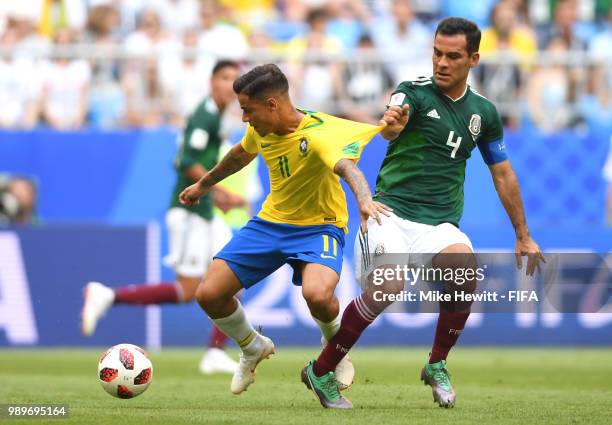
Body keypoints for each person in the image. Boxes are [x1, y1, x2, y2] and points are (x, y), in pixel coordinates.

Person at [301, 17, 545, 409]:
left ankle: (437, 364)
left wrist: (523, 234)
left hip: (439, 223)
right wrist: (392, 123)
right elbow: (393, 123)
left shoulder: (484, 113)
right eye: (436, 53)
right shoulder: (412, 93)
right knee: (389, 286)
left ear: (473, 59)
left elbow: (502, 173)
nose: (441, 63)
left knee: (464, 272)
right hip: (388, 214)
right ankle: (322, 369)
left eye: (452, 56)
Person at [178, 64, 390, 407]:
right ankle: (252, 346)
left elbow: (348, 168)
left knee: (318, 294)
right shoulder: (262, 128)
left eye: (248, 110)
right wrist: (204, 185)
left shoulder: (318, 133)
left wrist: (364, 201)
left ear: (273, 105)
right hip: (271, 223)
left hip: (320, 225)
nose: (244, 118)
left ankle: (334, 352)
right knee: (209, 294)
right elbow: (239, 155)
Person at [81, 60, 246, 374]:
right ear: (212, 81)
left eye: (235, 80)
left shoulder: (218, 116)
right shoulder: (205, 115)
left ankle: (215, 351)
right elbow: (186, 160)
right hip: (188, 213)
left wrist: (217, 197)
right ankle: (107, 295)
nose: (230, 85)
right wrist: (218, 192)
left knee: (236, 274)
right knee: (188, 291)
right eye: (225, 78)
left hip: (204, 212)